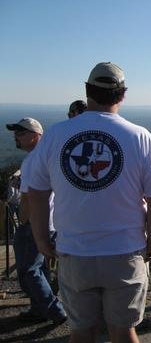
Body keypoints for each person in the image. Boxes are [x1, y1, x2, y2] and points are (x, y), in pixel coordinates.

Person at [28, 62, 151, 343]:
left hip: (74, 252)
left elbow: (36, 193)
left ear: (87, 91)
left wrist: (42, 240)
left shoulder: (55, 135)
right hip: (125, 252)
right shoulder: (140, 137)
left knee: (81, 333)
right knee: (123, 332)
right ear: (122, 94)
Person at [5, 117, 67, 324]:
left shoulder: (32, 161)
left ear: (36, 135)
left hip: (33, 224)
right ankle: (39, 309)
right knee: (41, 269)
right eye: (16, 133)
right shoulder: (49, 156)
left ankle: (55, 311)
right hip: (51, 222)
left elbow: (28, 198)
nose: (16, 136)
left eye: (21, 133)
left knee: (28, 271)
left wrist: (23, 222)